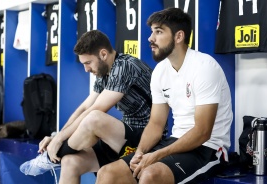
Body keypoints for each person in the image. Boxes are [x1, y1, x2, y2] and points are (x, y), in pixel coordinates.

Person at [96, 7, 233, 184]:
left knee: (150, 176)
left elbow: (202, 132)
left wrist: (157, 154)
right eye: (152, 32)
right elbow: (156, 124)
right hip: (175, 142)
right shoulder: (160, 71)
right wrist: (140, 152)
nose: (150, 39)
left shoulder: (205, 67)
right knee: (107, 173)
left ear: (179, 36)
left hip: (209, 148)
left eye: (158, 32)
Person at [20, 30, 167, 184]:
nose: (86, 69)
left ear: (103, 54)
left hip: (148, 138)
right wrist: (58, 136)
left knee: (94, 119)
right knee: (70, 162)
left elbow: (95, 110)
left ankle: (50, 158)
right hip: (123, 139)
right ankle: (55, 156)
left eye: (88, 63)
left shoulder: (125, 66)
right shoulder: (104, 73)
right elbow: (84, 107)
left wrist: (59, 140)